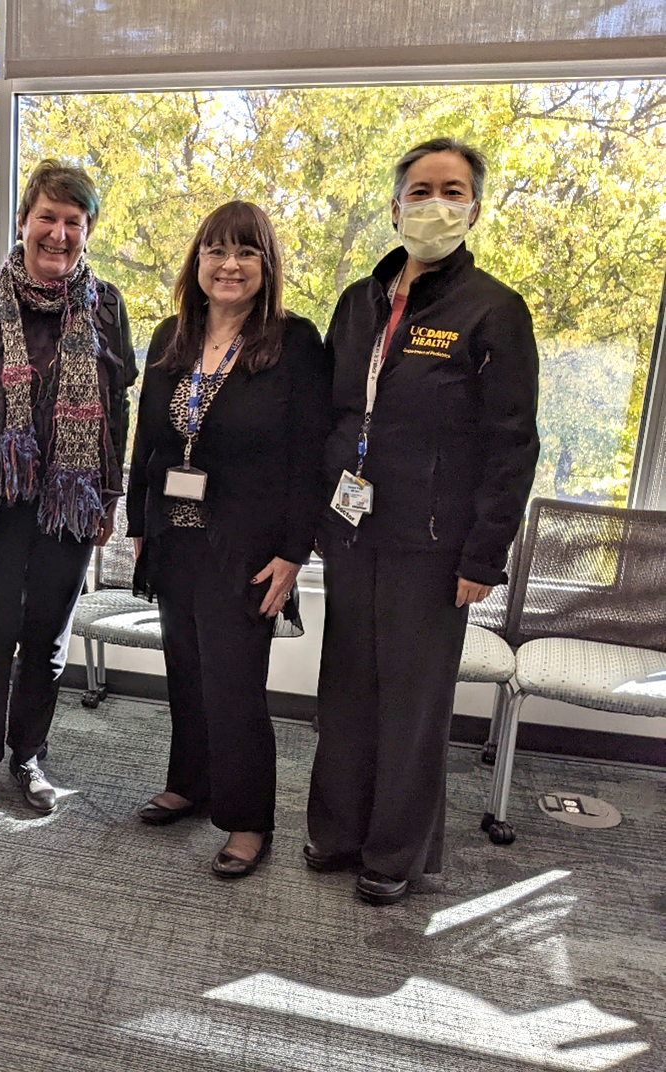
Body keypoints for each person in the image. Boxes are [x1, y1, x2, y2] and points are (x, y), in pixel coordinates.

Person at [307, 138, 540, 905]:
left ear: (473, 206)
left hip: (435, 548)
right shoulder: (358, 302)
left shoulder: (495, 311)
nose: (434, 202)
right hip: (352, 532)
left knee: (411, 704)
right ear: (396, 202)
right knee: (345, 690)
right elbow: (337, 413)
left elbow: (513, 445)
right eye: (420, 189)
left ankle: (395, 853)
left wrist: (485, 555)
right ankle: (337, 832)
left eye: (452, 190)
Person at [0, 160, 136, 827]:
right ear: (22, 223)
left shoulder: (107, 305)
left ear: (88, 230)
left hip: (69, 507)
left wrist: (107, 497)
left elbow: (118, 408)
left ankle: (29, 758)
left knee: (47, 638)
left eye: (73, 221)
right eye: (46, 217)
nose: (58, 232)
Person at [126, 201, 331, 878]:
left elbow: (311, 459)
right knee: (185, 670)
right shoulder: (170, 336)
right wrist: (136, 524)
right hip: (173, 537)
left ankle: (248, 820)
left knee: (236, 685)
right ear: (197, 263)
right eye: (216, 251)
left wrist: (294, 552)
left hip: (245, 547)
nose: (229, 265)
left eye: (246, 252)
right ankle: (191, 782)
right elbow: (148, 443)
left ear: (266, 266)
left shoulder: (294, 343)